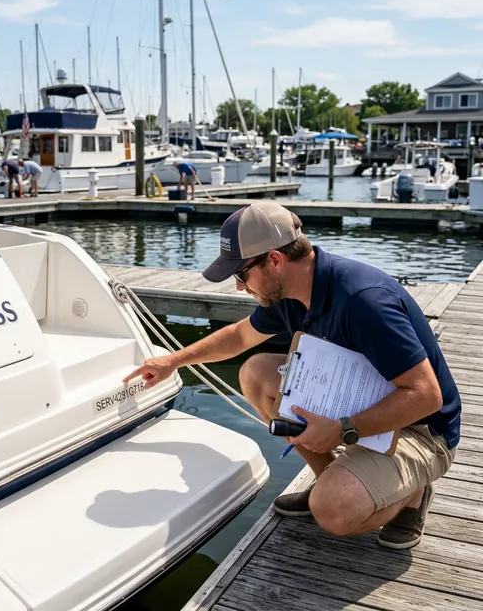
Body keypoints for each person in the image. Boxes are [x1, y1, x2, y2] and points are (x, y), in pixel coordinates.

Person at [123, 200, 460, 550]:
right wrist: (172, 361)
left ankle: (412, 495)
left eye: (241, 274)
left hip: (422, 429)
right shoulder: (290, 294)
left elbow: (426, 395)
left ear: (274, 260)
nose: (240, 287)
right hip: (365, 401)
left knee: (332, 510)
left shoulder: (364, 302)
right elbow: (239, 337)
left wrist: (343, 428)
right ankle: (328, 475)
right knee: (255, 373)